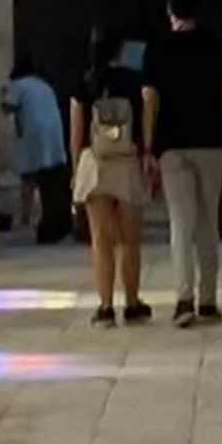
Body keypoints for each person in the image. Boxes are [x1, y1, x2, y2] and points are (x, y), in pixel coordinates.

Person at [145, 0, 222, 326]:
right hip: (210, 142)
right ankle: (208, 300)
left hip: (172, 145)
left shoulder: (157, 48)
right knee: (208, 222)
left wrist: (148, 147)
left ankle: (183, 299)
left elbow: (150, 102)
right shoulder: (216, 46)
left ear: (170, 11)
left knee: (180, 221)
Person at [69, 38, 150, 326]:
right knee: (130, 240)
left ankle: (105, 306)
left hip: (96, 162)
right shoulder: (134, 81)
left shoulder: (86, 82)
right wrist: (147, 152)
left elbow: (77, 131)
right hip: (127, 161)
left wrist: (76, 168)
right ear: (120, 51)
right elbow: (145, 122)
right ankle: (131, 302)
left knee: (101, 240)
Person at [0, 56, 69, 242]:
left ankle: (25, 216)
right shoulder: (44, 85)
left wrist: (1, 96)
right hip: (53, 130)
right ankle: (39, 215)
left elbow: (7, 106)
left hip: (34, 132)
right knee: (48, 172)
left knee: (29, 175)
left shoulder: (18, 85)